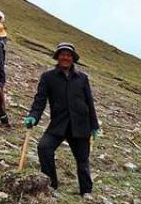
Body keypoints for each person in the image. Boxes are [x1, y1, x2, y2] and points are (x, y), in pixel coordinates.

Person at [23, 42, 100, 195]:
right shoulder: (48, 77)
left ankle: (86, 192)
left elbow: (89, 102)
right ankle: (51, 185)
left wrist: (94, 125)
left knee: (82, 160)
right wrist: (33, 116)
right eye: (62, 54)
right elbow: (40, 100)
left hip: (80, 125)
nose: (65, 57)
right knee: (44, 148)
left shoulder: (82, 78)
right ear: (58, 57)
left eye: (68, 55)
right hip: (59, 124)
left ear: (73, 58)